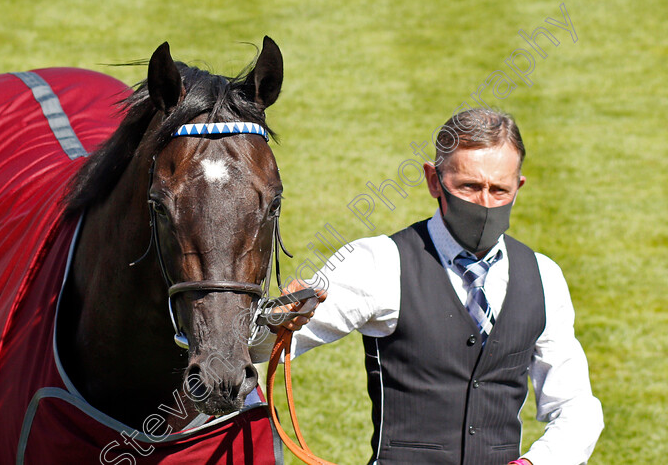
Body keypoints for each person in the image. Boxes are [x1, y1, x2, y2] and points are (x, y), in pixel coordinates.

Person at [253, 109, 603, 464]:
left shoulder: (544, 277)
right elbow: (260, 350)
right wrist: (277, 322)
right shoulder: (379, 263)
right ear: (433, 180)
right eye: (469, 186)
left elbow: (576, 407)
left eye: (499, 190)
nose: (484, 203)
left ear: (519, 188)